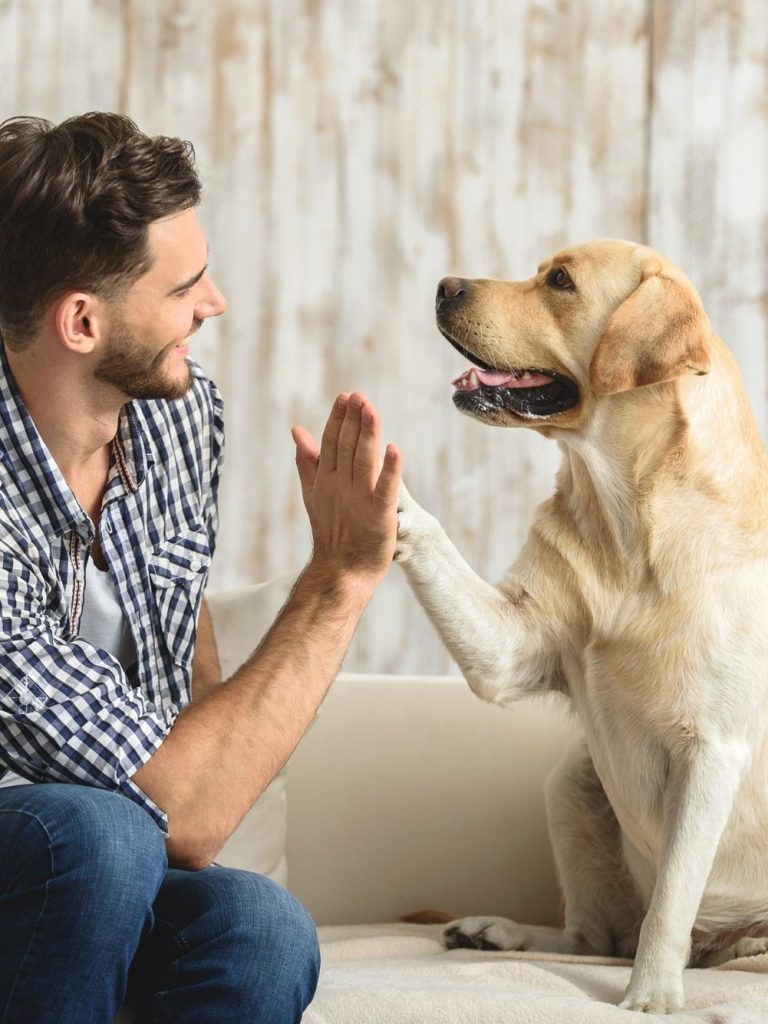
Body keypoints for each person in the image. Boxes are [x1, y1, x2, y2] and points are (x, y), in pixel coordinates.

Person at [0, 112, 401, 1024]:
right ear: (82, 321)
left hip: (111, 854)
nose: (213, 302)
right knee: (96, 834)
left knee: (258, 926)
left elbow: (185, 645)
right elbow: (178, 809)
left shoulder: (179, 417)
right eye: (184, 286)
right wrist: (339, 579)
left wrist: (195, 798)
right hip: (55, 848)